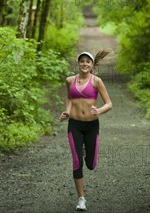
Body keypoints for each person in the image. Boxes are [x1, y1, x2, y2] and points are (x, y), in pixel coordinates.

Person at [59, 50, 113, 211]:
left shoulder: (96, 81)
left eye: (87, 61)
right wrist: (67, 111)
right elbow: (69, 97)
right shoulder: (70, 80)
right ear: (78, 63)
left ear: (91, 65)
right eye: (81, 61)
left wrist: (99, 111)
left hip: (91, 126)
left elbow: (109, 103)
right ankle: (81, 198)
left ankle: (86, 150)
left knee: (91, 164)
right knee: (77, 162)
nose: (84, 64)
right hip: (74, 125)